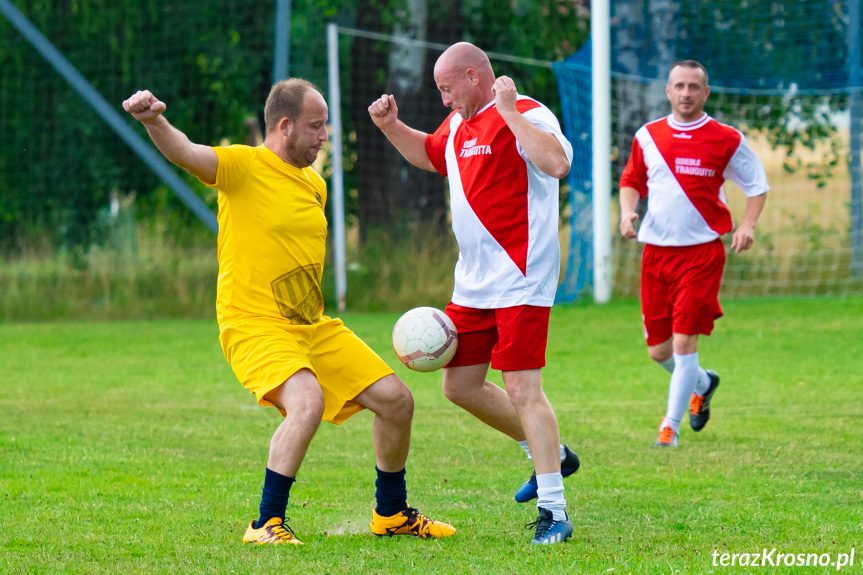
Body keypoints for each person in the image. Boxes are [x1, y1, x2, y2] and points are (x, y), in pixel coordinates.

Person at [122, 79, 455, 544]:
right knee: (307, 401)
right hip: (254, 325)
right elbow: (185, 152)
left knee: (397, 401)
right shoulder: (242, 165)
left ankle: (391, 514)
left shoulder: (314, 183)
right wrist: (153, 119)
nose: (324, 137)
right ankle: (265, 523)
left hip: (312, 327)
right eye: (316, 127)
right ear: (284, 125)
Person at [368, 42, 579, 545]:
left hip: (522, 276)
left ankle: (554, 510)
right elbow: (430, 153)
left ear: (471, 76)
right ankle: (551, 453)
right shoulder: (458, 126)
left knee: (525, 388)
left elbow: (556, 163)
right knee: (458, 386)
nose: (444, 100)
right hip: (473, 283)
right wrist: (390, 126)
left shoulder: (525, 111)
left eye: (446, 88)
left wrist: (507, 110)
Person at [618, 60, 768, 447]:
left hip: (701, 255)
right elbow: (631, 181)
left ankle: (670, 428)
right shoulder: (648, 136)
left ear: (706, 92)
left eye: (694, 87)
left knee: (685, 344)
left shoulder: (726, 138)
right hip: (655, 254)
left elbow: (756, 184)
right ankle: (703, 382)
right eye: (679, 86)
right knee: (659, 351)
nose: (686, 93)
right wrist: (627, 212)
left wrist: (748, 225)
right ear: (668, 91)